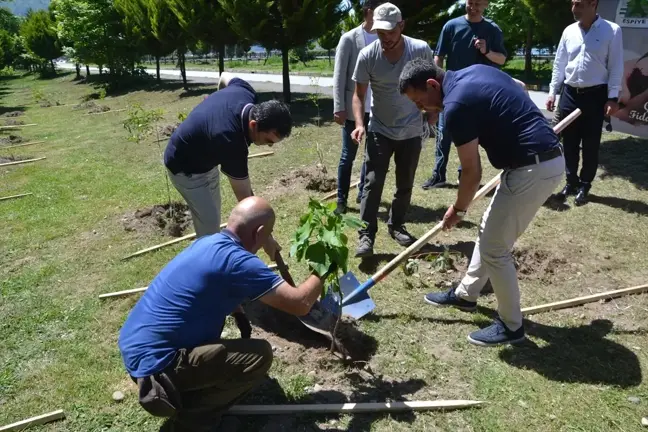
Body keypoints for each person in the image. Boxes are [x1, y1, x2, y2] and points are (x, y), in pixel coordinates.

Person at [118, 197, 333, 432]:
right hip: (156, 369)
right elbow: (300, 303)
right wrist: (323, 267)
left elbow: (214, 287)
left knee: (224, 349)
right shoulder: (240, 263)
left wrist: (238, 312)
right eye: (268, 234)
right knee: (258, 355)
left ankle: (192, 390)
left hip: (135, 345)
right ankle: (194, 422)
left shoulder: (208, 243)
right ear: (260, 231)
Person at [399, 58, 565, 346]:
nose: (420, 108)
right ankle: (466, 295)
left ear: (432, 84)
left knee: (495, 249)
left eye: (419, 100)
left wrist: (459, 209)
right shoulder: (473, 70)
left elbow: (472, 172)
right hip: (535, 160)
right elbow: (519, 87)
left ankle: (512, 326)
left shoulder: (456, 106)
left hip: (533, 167)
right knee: (489, 230)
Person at [163, 73, 292, 258]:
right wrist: (266, 239)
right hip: (185, 167)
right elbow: (246, 198)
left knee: (212, 218)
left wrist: (216, 106)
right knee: (209, 228)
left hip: (206, 160)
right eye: (268, 140)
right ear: (254, 124)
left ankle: (211, 259)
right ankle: (206, 268)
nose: (269, 145)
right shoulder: (231, 140)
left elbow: (225, 76)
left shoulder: (245, 92)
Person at [351, 2, 435, 258]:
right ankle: (366, 235)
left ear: (401, 26)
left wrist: (431, 116)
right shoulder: (368, 55)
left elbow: (433, 84)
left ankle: (397, 225)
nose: (385, 38)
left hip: (411, 129)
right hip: (380, 129)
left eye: (389, 31)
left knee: (405, 184)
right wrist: (358, 123)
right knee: (372, 182)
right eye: (380, 32)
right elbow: (358, 95)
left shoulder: (420, 50)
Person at [421, 0, 507, 190]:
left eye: (478, 3)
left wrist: (486, 51)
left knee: (471, 135)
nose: (473, 7)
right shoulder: (451, 26)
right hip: (451, 88)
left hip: (478, 92)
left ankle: (464, 174)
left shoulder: (492, 29)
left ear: (486, 5)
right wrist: (437, 84)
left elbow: (501, 59)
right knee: (443, 133)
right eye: (470, 2)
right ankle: (438, 175)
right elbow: (439, 56)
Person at [546, 0, 623, 206]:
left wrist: (613, 97)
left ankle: (584, 185)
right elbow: (559, 63)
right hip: (570, 94)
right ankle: (570, 183)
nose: (574, 9)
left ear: (593, 4)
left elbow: (616, 66)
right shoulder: (569, 31)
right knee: (569, 142)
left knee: (590, 144)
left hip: (595, 95)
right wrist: (553, 91)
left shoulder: (612, 30)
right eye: (573, 3)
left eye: (579, 4)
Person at [333, 0, 386, 215]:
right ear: (368, 12)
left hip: (377, 108)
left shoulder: (386, 37)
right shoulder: (349, 39)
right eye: (378, 10)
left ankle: (362, 192)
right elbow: (338, 74)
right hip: (352, 106)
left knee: (371, 155)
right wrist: (338, 106)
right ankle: (341, 199)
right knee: (348, 155)